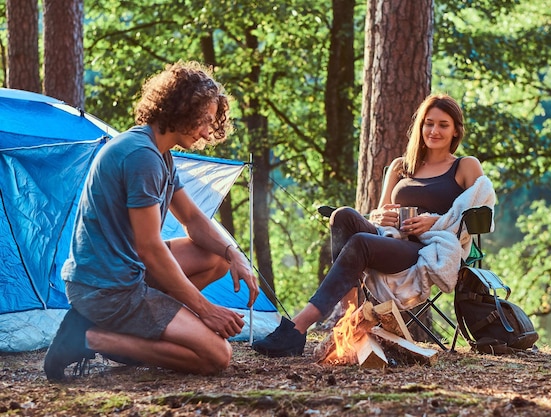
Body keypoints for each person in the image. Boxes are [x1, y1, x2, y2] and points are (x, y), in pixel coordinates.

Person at [44, 61, 259, 381]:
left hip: (125, 273)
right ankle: (90, 338)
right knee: (216, 356)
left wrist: (234, 253)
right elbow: (150, 250)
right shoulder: (141, 157)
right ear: (182, 107)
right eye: (203, 120)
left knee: (216, 258)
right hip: (107, 289)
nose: (205, 132)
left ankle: (143, 327)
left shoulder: (159, 152)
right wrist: (206, 310)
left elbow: (192, 219)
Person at [252, 93, 495, 357]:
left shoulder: (465, 166)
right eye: (428, 123)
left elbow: (482, 216)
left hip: (425, 250)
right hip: (389, 238)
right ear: (420, 126)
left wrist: (435, 221)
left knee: (361, 243)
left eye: (443, 124)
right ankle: (351, 315)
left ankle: (298, 327)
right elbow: (378, 214)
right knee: (343, 216)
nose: (434, 130)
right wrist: (382, 217)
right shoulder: (401, 167)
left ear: (456, 130)